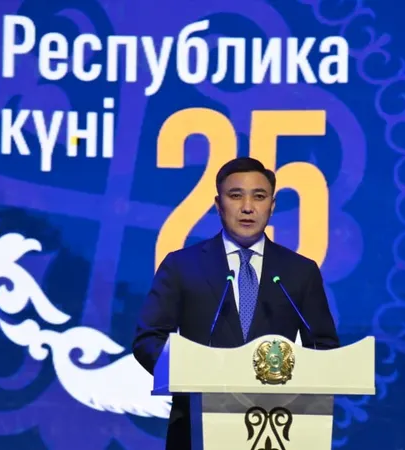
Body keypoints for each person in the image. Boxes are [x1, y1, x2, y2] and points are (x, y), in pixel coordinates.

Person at [132, 157, 339, 450]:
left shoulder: (299, 271)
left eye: (259, 196)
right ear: (218, 204)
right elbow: (149, 339)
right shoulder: (182, 266)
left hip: (277, 429)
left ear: (272, 205)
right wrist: (186, 373)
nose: (247, 207)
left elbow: (323, 347)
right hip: (196, 426)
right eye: (236, 195)